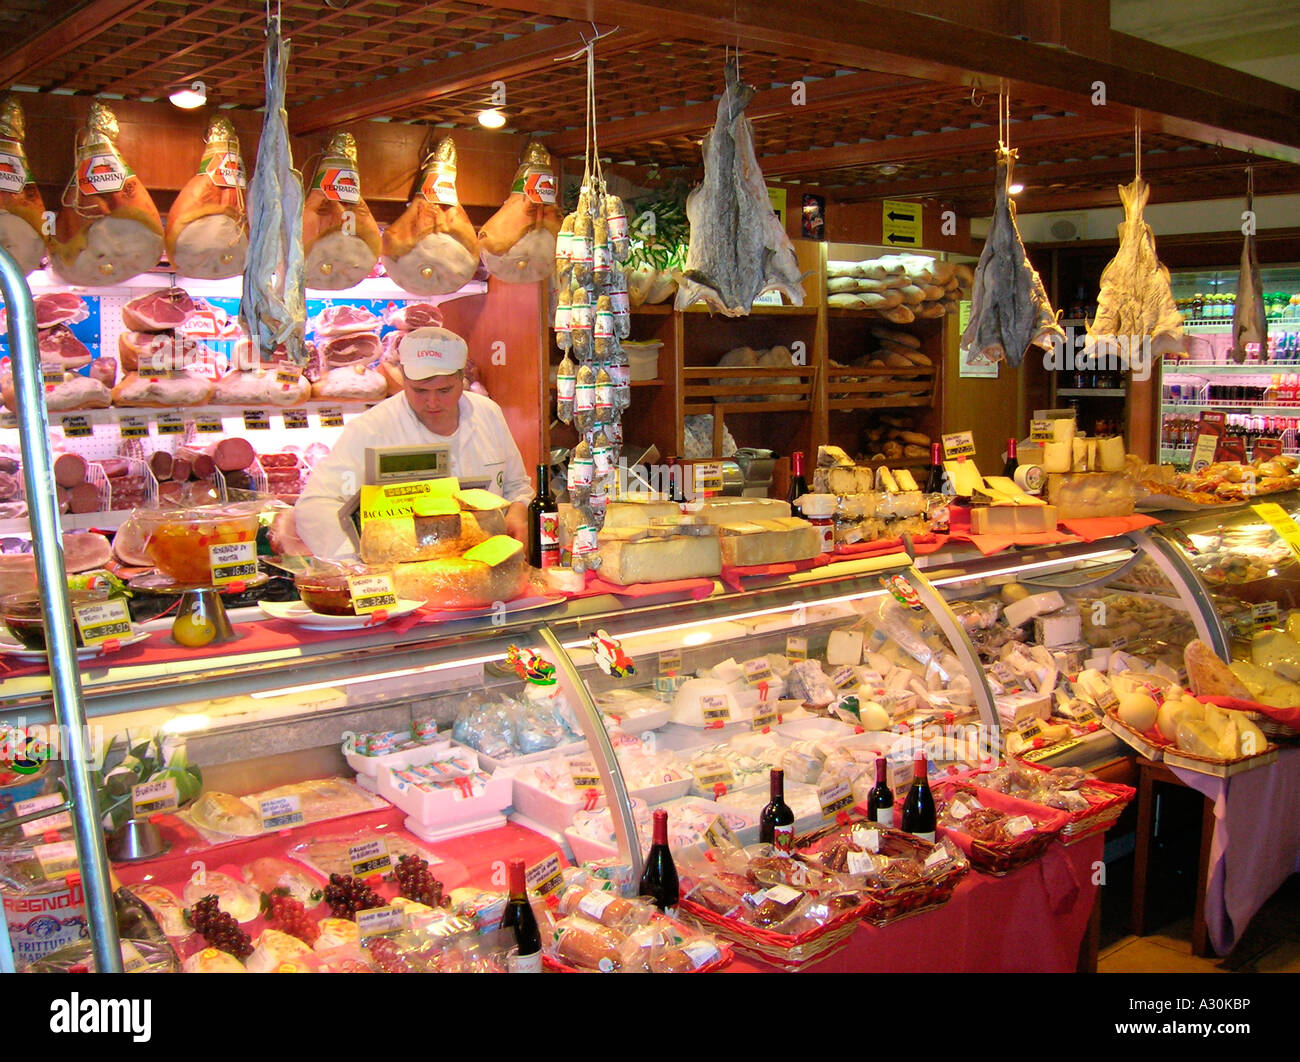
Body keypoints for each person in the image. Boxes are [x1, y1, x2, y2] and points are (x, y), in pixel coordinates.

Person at [294, 326, 533, 560]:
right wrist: (357, 559)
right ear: (404, 380)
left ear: (462, 379)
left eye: (444, 390)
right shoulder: (371, 428)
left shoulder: (488, 413)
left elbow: (516, 486)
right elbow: (314, 505)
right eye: (419, 390)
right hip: (406, 574)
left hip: (482, 565)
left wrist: (518, 511)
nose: (432, 402)